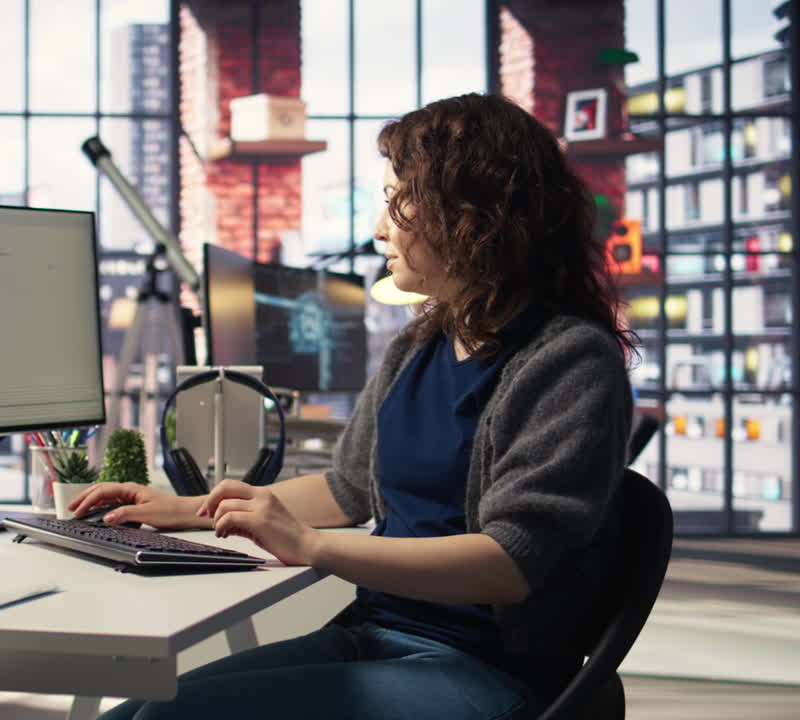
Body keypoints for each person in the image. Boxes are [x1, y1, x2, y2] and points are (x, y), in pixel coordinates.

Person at [69, 92, 637, 720]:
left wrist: (312, 547)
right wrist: (181, 511)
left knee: (171, 717)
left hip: (491, 668)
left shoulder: (568, 359)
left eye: (398, 203)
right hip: (372, 636)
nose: (378, 230)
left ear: (475, 215)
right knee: (131, 713)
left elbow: (510, 562)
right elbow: (347, 489)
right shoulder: (418, 345)